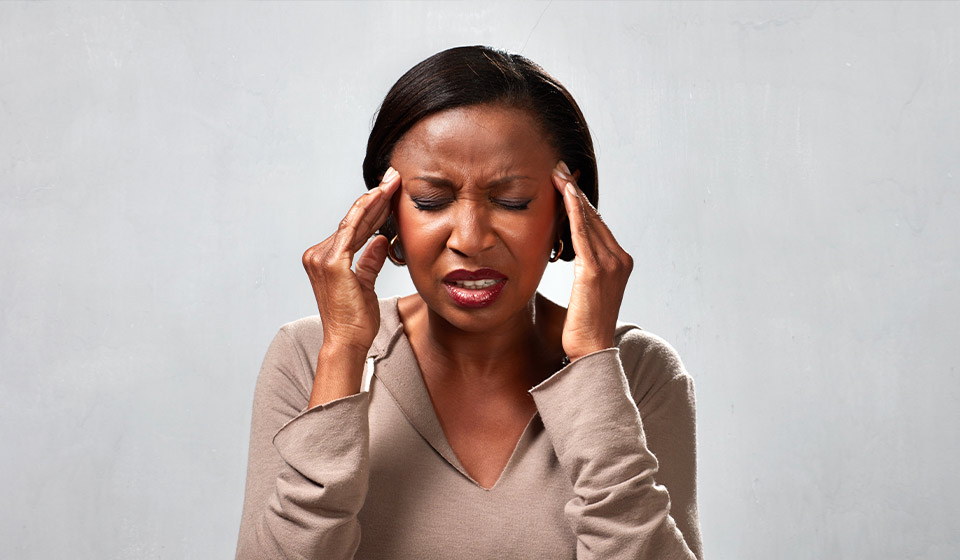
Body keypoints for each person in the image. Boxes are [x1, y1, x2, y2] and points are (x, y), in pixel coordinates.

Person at [236, 46, 702, 560]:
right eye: (432, 200)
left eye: (513, 201)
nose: (471, 238)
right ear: (385, 217)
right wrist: (344, 352)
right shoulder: (309, 355)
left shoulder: (639, 371)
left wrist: (591, 362)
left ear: (567, 219)